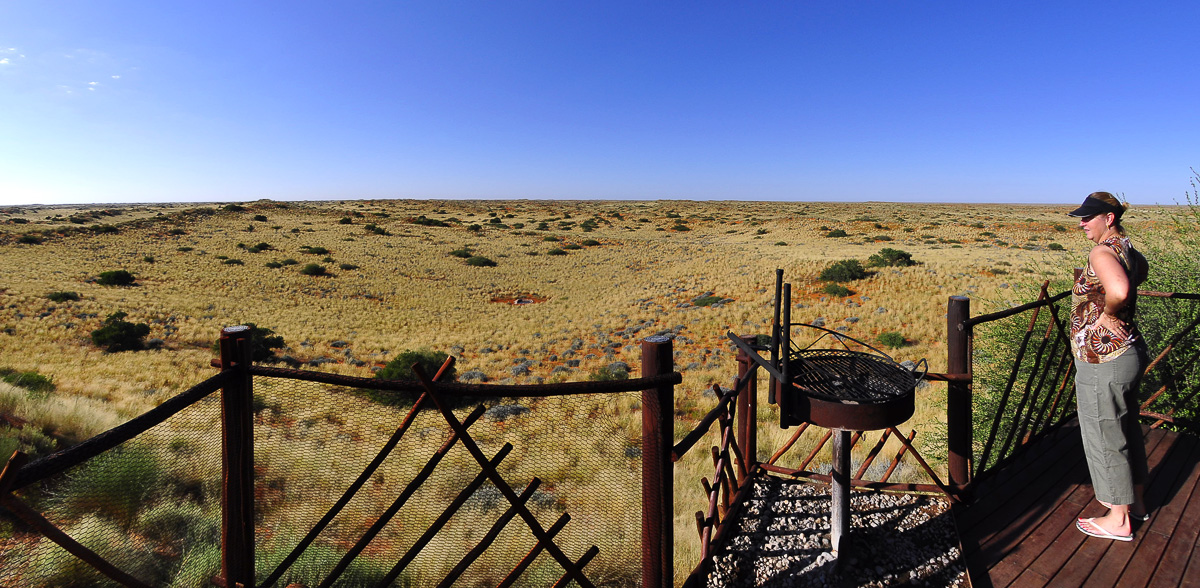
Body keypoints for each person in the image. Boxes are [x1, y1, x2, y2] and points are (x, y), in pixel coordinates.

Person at [1068, 192, 1150, 542]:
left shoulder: (1101, 251)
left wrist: (1108, 312)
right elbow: (1139, 272)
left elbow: (1118, 287)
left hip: (1104, 361)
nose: (1082, 223)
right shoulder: (1126, 249)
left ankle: (1118, 520)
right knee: (1127, 429)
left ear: (1109, 218)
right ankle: (1138, 503)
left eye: (1089, 217)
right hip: (1127, 353)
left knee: (1104, 435)